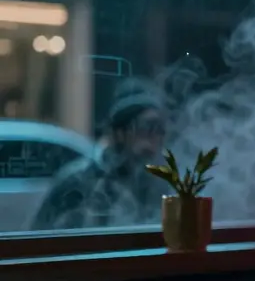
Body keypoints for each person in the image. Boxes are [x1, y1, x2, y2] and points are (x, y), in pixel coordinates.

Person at [31, 81, 168, 231]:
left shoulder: (157, 184)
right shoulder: (77, 182)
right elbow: (41, 238)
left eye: (160, 130)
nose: (155, 139)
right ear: (119, 133)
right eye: (147, 128)